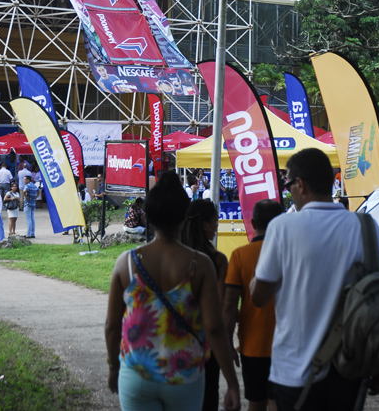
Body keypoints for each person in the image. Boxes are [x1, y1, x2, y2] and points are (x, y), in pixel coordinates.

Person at [251, 148, 379, 410]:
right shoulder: (365, 226)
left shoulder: (282, 227)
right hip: (350, 367)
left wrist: (256, 281)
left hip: (294, 371)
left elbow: (259, 298)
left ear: (300, 184)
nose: (290, 192)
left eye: (288, 186)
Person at [104, 172, 241, 411]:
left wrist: (114, 368)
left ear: (148, 216)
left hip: (136, 376)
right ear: (184, 216)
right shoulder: (201, 265)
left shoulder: (126, 263)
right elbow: (215, 328)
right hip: (185, 377)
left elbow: (112, 326)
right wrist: (232, 383)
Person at [224, 199, 285, 411]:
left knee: (256, 403)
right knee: (280, 403)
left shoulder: (240, 256)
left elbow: (229, 305)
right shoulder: (292, 253)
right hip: (287, 344)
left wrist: (228, 344)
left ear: (252, 223)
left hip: (253, 344)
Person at [182, 199, 229, 411]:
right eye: (215, 221)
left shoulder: (176, 257)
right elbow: (218, 310)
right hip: (206, 345)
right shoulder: (217, 261)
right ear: (205, 224)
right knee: (208, 398)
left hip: (175, 340)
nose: (217, 226)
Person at [23, 174, 38, 238]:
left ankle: (28, 234)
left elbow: (24, 191)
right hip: (33, 203)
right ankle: (32, 233)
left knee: (28, 219)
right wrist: (36, 197)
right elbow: (38, 191)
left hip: (28, 203)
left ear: (27, 180)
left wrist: (25, 196)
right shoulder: (34, 185)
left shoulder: (27, 185)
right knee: (32, 219)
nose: (24, 181)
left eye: (24, 179)